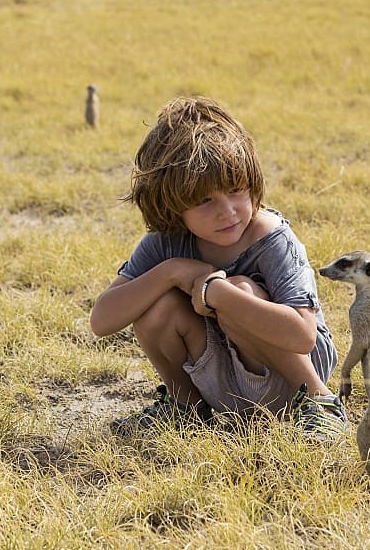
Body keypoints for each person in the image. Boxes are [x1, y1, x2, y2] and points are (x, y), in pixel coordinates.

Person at [89, 96, 349, 440]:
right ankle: (187, 408)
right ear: (171, 205)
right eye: (204, 200)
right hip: (224, 385)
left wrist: (218, 293)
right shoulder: (167, 244)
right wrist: (171, 271)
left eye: (235, 190)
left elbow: (303, 335)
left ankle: (321, 404)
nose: (227, 211)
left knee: (241, 289)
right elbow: (102, 321)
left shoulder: (271, 238)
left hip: (293, 378)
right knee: (158, 306)